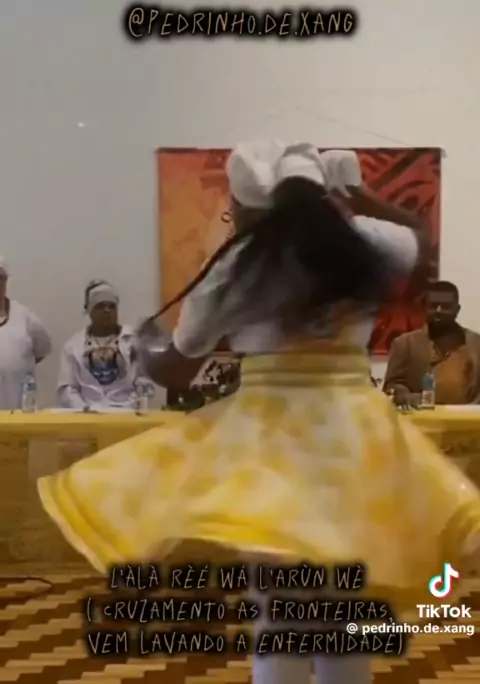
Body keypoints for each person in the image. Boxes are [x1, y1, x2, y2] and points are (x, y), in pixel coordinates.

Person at [38, 143, 480, 684]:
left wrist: (147, 352)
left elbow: (177, 369)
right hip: (355, 438)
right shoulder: (367, 242)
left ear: (254, 205)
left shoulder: (241, 262)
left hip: (270, 445)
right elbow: (418, 236)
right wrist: (364, 197)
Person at [57, 280, 153, 410]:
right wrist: (85, 410)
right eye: (100, 306)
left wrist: (129, 407)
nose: (107, 310)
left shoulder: (134, 341)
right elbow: (67, 389)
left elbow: (145, 384)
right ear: (90, 311)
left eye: (112, 306)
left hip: (128, 414)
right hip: (87, 413)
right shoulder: (73, 346)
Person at [383, 280, 480, 404]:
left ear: (457, 309)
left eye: (446, 306)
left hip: (469, 415)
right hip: (421, 415)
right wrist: (413, 398)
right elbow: (391, 385)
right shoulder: (405, 344)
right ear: (425, 307)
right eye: (433, 306)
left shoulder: (476, 344)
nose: (438, 311)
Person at [0, 254, 51, 409]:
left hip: (18, 415)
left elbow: (42, 350)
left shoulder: (26, 318)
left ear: (5, 281)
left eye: (0, 277)